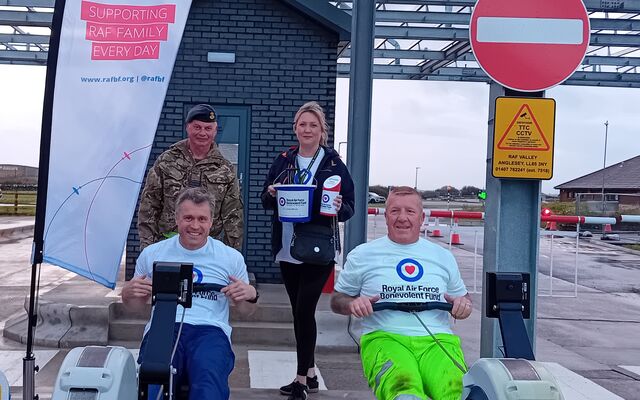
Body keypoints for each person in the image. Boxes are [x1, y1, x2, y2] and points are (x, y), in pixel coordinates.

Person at [331, 186, 472, 400]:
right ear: (386, 216)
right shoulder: (363, 255)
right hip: (385, 338)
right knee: (404, 393)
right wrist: (352, 304)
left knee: (458, 392)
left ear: (422, 217)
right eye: (395, 211)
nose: (402, 218)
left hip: (438, 341)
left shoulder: (443, 256)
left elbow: (464, 298)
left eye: (410, 211)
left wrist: (463, 306)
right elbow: (337, 300)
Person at [122, 188, 258, 400]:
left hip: (210, 330)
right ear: (177, 219)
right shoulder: (153, 254)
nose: (195, 226)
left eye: (202, 219)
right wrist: (128, 293)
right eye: (188, 218)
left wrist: (250, 294)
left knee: (208, 383)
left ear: (211, 221)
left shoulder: (230, 258)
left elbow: (246, 311)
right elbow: (135, 306)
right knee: (153, 386)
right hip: (164, 327)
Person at [260, 101, 355, 400]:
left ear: (321, 130)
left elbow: (349, 206)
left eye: (313, 125)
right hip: (288, 247)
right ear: (295, 128)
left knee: (304, 310)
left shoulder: (333, 163)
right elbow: (265, 198)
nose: (307, 129)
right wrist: (271, 193)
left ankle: (300, 379)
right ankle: (311, 372)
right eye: (302, 124)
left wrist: (340, 208)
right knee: (298, 312)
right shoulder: (284, 159)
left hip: (318, 247)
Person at [137, 104, 243, 251]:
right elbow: (149, 206)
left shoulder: (225, 169)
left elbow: (233, 217)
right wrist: (148, 249)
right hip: (168, 245)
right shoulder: (166, 161)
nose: (202, 133)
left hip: (208, 249)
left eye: (208, 128)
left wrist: (232, 255)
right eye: (197, 127)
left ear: (215, 131)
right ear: (187, 127)